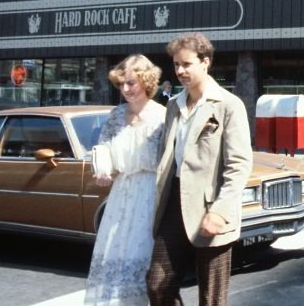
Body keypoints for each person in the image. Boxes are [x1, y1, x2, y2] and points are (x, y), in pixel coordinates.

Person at [147, 33, 253, 306]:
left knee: (212, 297)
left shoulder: (229, 105)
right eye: (176, 65)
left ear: (205, 62)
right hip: (173, 204)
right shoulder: (173, 105)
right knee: (158, 284)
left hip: (210, 207)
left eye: (186, 64)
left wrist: (220, 210)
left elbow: (239, 165)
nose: (180, 71)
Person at [85, 55, 167, 306]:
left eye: (132, 83)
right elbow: (103, 148)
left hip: (150, 196)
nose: (126, 89)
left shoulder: (163, 116)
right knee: (115, 254)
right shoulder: (116, 114)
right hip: (121, 196)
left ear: (147, 81)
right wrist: (102, 169)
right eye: (122, 84)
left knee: (142, 260)